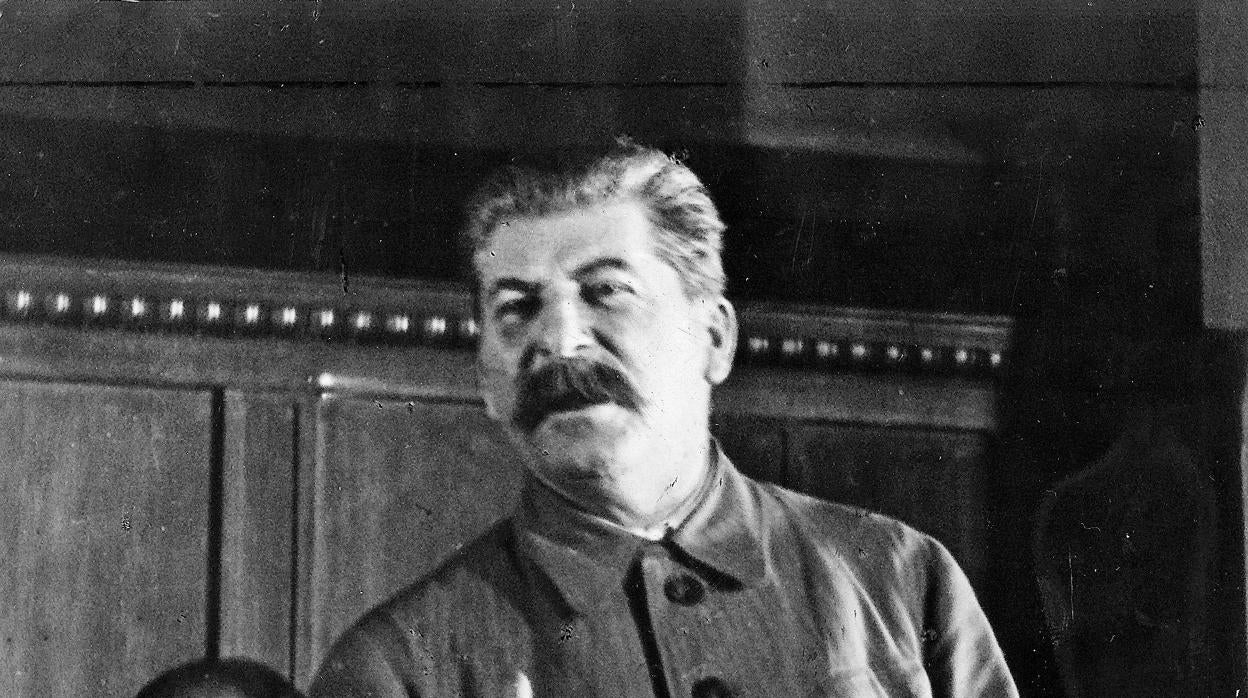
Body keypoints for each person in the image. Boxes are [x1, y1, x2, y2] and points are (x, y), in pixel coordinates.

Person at [309, 139, 1018, 697]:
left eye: (606, 292)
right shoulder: (395, 668)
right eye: (517, 308)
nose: (560, 340)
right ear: (485, 379)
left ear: (714, 337)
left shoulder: (901, 581)